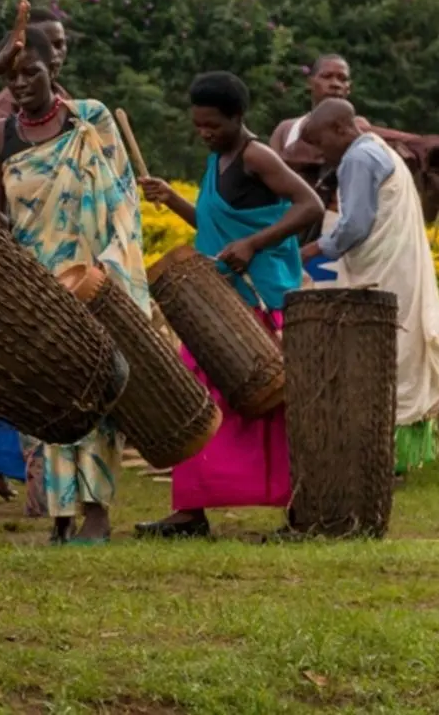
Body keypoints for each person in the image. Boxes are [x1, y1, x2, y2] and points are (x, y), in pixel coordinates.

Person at [0, 26, 149, 545]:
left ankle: (96, 512)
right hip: (34, 284)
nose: (23, 83)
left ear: (54, 68)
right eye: (13, 75)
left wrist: (111, 271)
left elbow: (122, 198)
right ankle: (58, 515)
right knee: (46, 396)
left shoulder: (90, 118)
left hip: (90, 278)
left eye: (33, 71)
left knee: (96, 391)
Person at [137, 72, 322, 539]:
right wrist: (172, 199)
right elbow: (215, 229)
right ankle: (190, 511)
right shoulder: (216, 158)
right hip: (216, 305)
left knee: (272, 408)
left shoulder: (258, 156)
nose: (205, 132)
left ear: (238, 118)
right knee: (198, 404)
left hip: (257, 304)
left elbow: (311, 205)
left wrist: (255, 243)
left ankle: (300, 509)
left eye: (213, 125)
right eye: (198, 125)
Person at [298, 99, 439, 474]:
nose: (320, 153)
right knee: (397, 351)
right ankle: (395, 456)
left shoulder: (358, 159)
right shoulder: (379, 149)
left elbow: (354, 226)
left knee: (380, 353)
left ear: (340, 130)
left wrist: (312, 250)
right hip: (398, 266)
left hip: (384, 273)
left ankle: (382, 455)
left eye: (320, 143)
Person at [272, 53, 439, 230]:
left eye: (342, 79)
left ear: (349, 88)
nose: (335, 84)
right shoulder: (288, 128)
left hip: (335, 227)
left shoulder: (359, 131)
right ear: (310, 83)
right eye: (327, 76)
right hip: (288, 224)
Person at [0, 8, 70, 133]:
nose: (53, 53)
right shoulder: (0, 115)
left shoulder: (66, 100)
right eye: (45, 45)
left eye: (59, 45)